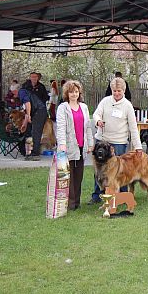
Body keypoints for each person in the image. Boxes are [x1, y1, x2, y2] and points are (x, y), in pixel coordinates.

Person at [88, 77, 143, 204]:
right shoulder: (105, 101)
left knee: (119, 171)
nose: (117, 93)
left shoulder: (127, 105)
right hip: (102, 140)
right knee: (99, 170)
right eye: (114, 91)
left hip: (119, 142)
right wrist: (97, 121)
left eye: (119, 91)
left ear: (123, 90)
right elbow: (96, 114)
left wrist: (138, 147)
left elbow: (133, 127)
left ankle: (122, 196)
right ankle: (97, 195)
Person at [56, 80, 94, 211]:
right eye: (71, 92)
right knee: (69, 176)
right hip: (68, 147)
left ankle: (77, 201)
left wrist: (90, 143)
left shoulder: (83, 107)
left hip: (81, 146)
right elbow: (60, 127)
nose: (74, 94)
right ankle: (70, 203)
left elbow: (88, 127)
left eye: (76, 91)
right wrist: (62, 144)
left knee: (79, 176)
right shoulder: (63, 108)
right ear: (67, 93)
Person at [18, 86, 48, 161]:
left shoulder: (22, 92)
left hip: (39, 111)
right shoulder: (27, 93)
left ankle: (35, 154)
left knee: (36, 133)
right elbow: (26, 109)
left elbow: (28, 104)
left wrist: (28, 116)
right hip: (40, 111)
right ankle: (34, 152)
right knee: (35, 133)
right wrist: (24, 124)